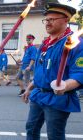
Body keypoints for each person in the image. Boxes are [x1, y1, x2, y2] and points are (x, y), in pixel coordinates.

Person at [22, 3, 83, 140]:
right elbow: (40, 69)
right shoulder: (45, 43)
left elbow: (79, 73)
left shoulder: (75, 43)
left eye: (52, 19)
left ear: (65, 20)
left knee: (55, 135)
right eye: (46, 20)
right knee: (31, 129)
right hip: (38, 95)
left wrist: (65, 86)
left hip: (58, 99)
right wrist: (29, 88)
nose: (47, 23)